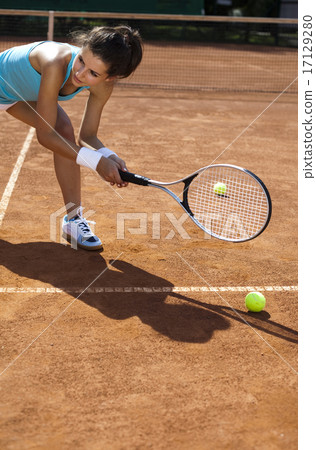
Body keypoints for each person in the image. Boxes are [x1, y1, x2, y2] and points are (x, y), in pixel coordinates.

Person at [0, 25, 143, 250]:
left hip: (14, 95)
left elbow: (88, 136)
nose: (80, 74)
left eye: (93, 73)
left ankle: (74, 220)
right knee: (57, 130)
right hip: (6, 86)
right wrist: (97, 163)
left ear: (110, 78)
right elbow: (45, 136)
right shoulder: (55, 62)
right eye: (81, 61)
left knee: (64, 129)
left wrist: (108, 156)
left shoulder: (104, 87)